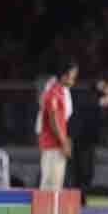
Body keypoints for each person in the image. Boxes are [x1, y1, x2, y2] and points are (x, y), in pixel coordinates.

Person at [68, 72, 108, 205]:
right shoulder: (90, 95)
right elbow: (83, 113)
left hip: (90, 141)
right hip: (80, 139)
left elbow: (103, 120)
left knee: (88, 172)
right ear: (104, 84)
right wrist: (99, 104)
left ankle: (81, 198)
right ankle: (78, 200)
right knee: (81, 171)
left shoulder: (103, 98)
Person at [38, 62, 78, 190]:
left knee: (56, 186)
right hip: (51, 145)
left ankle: (52, 211)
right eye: (72, 76)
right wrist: (64, 141)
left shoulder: (62, 92)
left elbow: (62, 120)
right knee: (49, 185)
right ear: (64, 77)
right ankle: (43, 211)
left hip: (58, 144)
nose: (74, 80)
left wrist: (65, 141)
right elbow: (53, 121)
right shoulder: (53, 93)